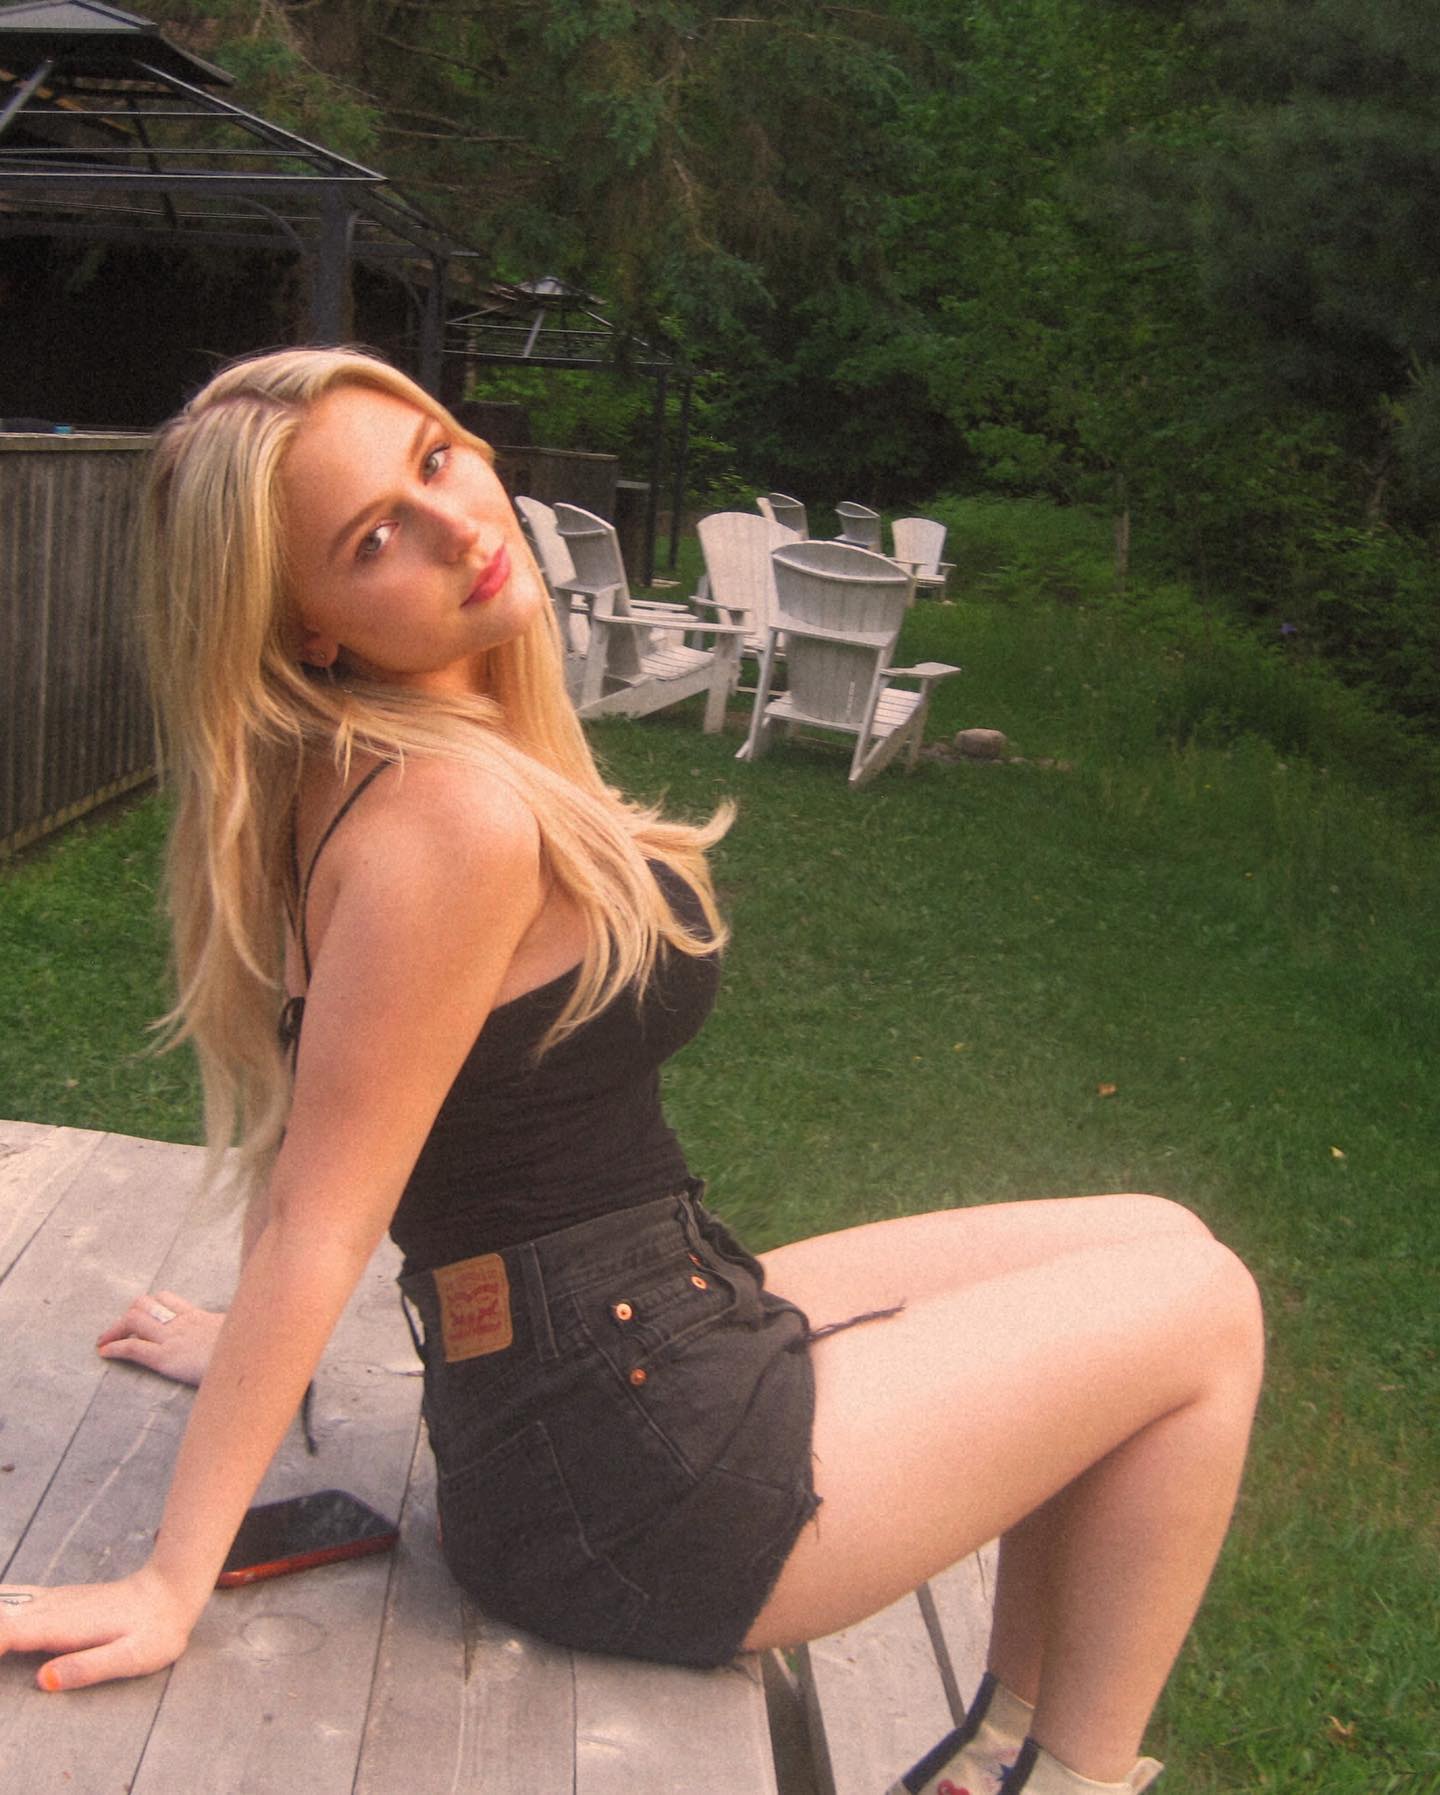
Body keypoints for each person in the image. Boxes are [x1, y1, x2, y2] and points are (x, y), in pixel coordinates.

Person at [0, 348, 1263, 1795]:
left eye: (433, 459)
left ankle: (992, 1759)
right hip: (632, 1479)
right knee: (1206, 1308)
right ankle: (1071, 1778)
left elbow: (330, 1111)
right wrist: (171, 1579)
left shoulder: (369, 766)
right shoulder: (449, 818)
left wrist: (243, 1342)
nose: (458, 525)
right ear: (308, 628)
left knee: (1153, 1238)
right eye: (374, 538)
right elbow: (325, 1211)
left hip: (635, 1348)